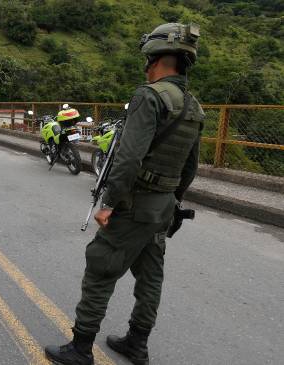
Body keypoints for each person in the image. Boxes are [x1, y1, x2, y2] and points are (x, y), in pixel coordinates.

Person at [44, 22, 205, 365]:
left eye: (148, 60)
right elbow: (190, 167)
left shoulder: (149, 96)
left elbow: (129, 159)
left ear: (157, 58)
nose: (145, 67)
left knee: (101, 267)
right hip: (163, 207)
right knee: (150, 275)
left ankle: (81, 348)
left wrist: (109, 203)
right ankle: (137, 342)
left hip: (134, 204)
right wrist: (173, 199)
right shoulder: (193, 107)